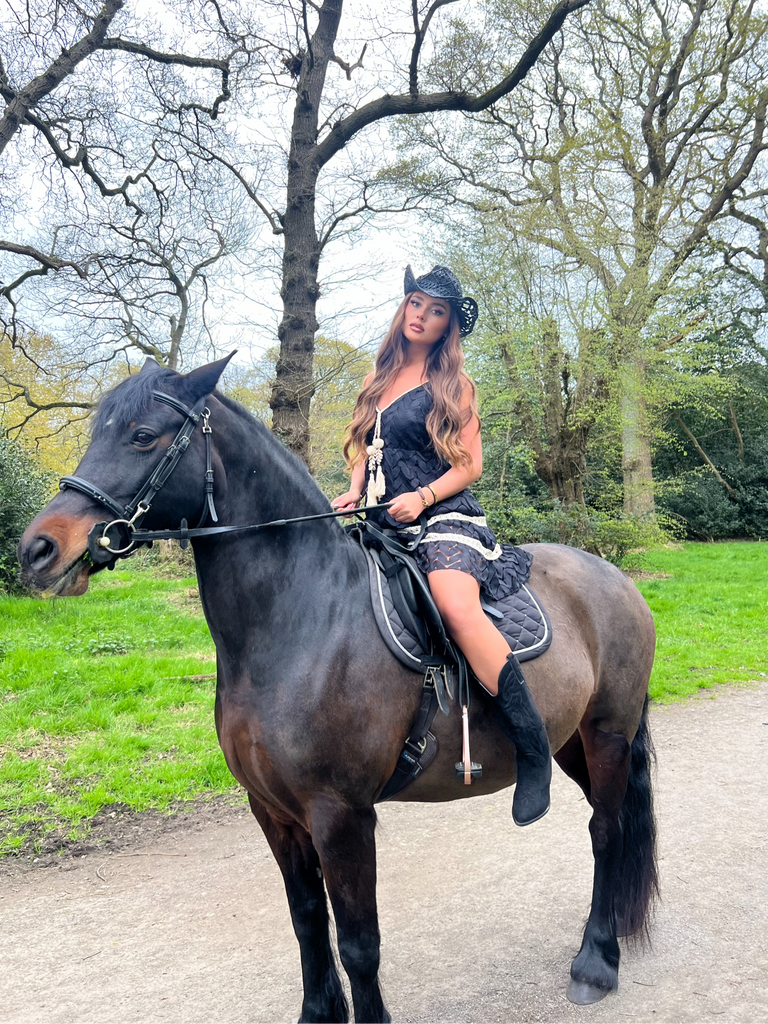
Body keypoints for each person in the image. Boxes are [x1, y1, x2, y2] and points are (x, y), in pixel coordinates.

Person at [333, 265, 551, 826]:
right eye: (416, 304)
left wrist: (424, 496)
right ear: (404, 307)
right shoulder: (376, 377)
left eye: (436, 311)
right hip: (382, 518)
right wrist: (354, 490)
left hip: (444, 514)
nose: (422, 316)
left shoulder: (453, 384)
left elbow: (469, 465)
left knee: (454, 605)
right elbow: (367, 445)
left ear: (447, 326)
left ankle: (533, 750)